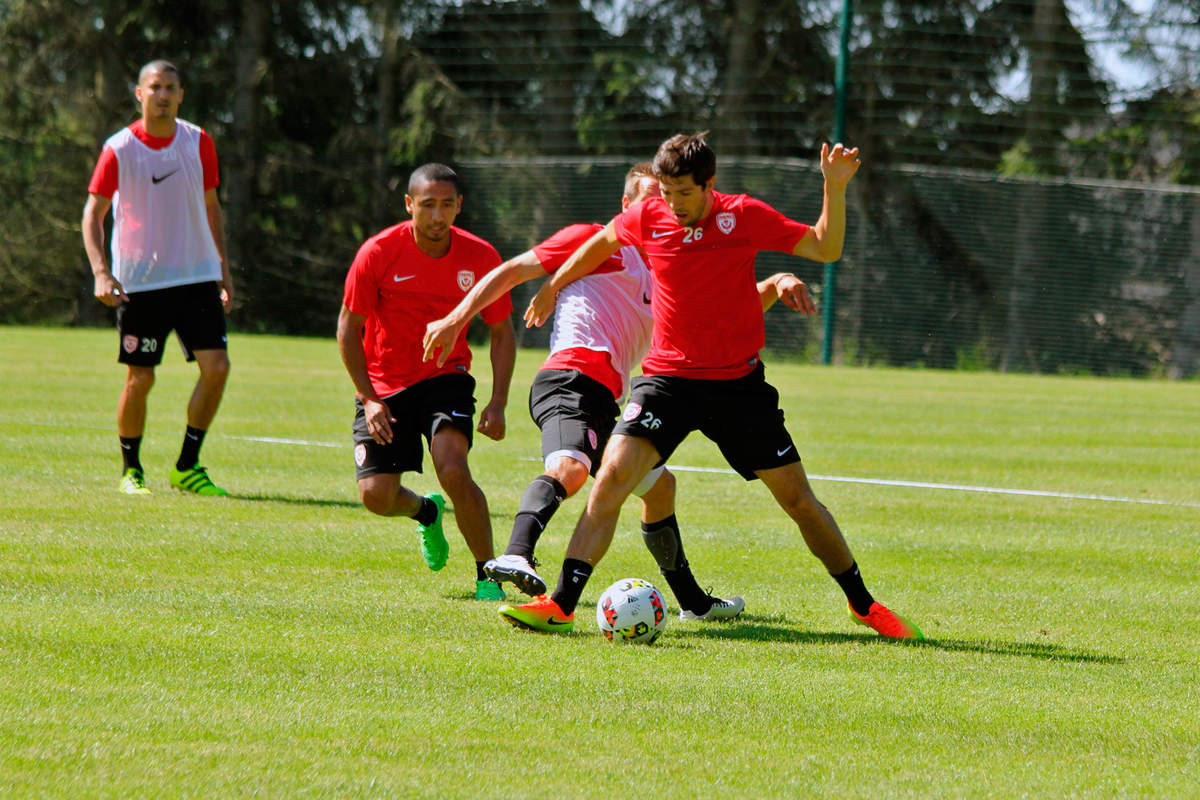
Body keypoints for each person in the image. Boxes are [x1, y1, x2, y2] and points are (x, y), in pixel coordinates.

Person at [508, 133, 924, 639]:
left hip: (737, 387)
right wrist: (552, 285)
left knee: (798, 502)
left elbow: (825, 246)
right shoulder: (648, 215)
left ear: (710, 185)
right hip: (667, 381)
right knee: (611, 477)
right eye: (665, 193)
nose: (672, 205)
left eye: (684, 193)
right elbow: (601, 243)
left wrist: (833, 188)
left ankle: (864, 605)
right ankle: (562, 604)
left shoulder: (743, 215)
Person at [425, 164, 802, 626]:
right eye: (648, 200)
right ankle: (517, 555)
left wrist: (776, 284)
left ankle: (694, 603)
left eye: (664, 201)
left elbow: (728, 307)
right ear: (625, 207)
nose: (660, 209)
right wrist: (456, 319)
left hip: (609, 398)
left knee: (660, 488)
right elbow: (511, 271)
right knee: (570, 469)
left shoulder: (666, 260)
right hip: (572, 379)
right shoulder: (593, 241)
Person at [338, 162, 516, 601]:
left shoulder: (481, 257)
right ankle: (425, 511)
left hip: (445, 377)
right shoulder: (377, 253)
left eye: (447, 205)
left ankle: (487, 576)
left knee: (453, 468)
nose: (438, 216)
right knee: (376, 497)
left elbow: (501, 332)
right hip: (385, 387)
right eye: (428, 205)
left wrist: (498, 402)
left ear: (460, 206)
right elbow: (348, 329)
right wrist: (369, 397)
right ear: (409, 205)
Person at [82, 60, 234, 497]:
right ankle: (132, 469)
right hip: (140, 283)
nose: (163, 94)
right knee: (140, 379)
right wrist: (100, 272)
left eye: (170, 87)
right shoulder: (119, 148)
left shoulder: (198, 141)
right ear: (139, 93)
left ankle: (187, 466)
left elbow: (211, 206)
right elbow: (93, 213)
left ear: (181, 94)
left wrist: (223, 269)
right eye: (155, 87)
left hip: (196, 276)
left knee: (217, 369)